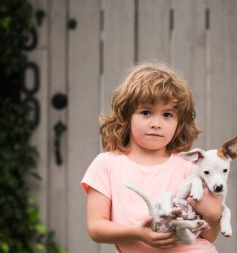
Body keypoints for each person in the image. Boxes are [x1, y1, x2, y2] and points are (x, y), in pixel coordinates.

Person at [81, 63, 223, 253]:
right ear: (126, 115)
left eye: (167, 115)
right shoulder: (107, 165)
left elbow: (207, 236)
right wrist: (138, 233)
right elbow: (96, 227)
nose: (156, 123)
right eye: (146, 112)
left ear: (179, 123)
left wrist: (213, 217)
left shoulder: (189, 168)